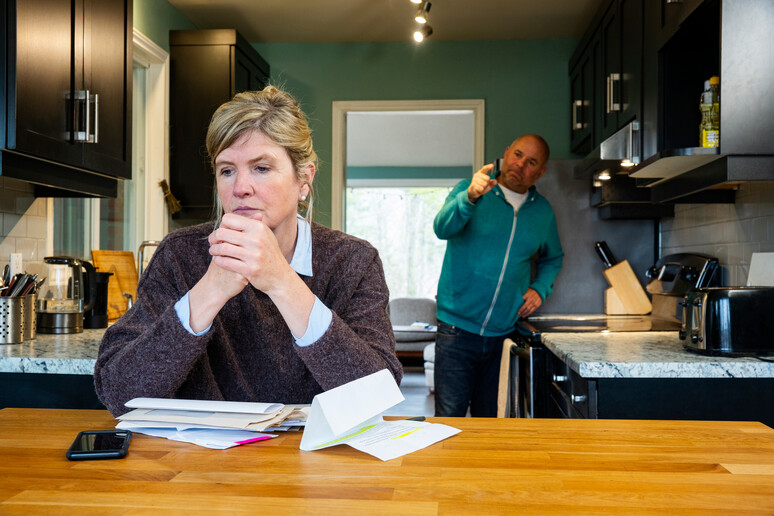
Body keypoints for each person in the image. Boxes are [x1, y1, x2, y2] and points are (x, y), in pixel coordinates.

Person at [94, 86, 402, 417]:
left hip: (314, 460)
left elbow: (377, 397)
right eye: (227, 170)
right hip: (200, 462)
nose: (240, 187)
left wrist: (282, 281)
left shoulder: (352, 261)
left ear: (303, 180)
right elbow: (118, 394)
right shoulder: (179, 255)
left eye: (261, 168)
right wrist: (210, 289)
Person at [433, 134, 563, 417]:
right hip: (456, 330)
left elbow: (553, 258)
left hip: (503, 336)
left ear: (540, 172)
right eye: (517, 154)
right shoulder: (470, 189)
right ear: (506, 153)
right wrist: (468, 198)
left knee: (490, 421)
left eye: (531, 162)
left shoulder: (542, 212)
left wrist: (540, 288)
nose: (520, 165)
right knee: (447, 420)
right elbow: (441, 228)